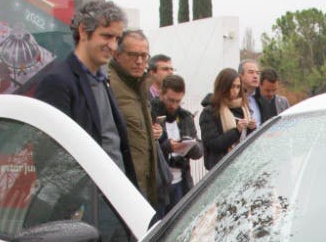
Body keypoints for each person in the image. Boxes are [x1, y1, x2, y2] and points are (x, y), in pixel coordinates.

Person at [35, 0, 135, 183]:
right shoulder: (58, 82)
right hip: (87, 203)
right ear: (83, 31)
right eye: (106, 36)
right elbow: (49, 157)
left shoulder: (103, 81)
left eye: (117, 39)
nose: (113, 46)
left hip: (115, 198)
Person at [109, 29, 168, 212]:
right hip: (122, 195)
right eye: (133, 55)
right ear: (117, 55)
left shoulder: (140, 86)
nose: (139, 61)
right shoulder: (109, 86)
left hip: (145, 192)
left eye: (144, 56)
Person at [151, 74, 203, 206]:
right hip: (159, 183)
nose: (174, 105)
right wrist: (169, 146)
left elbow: (199, 151)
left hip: (182, 182)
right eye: (171, 100)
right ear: (161, 94)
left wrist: (189, 145)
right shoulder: (151, 113)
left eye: (178, 101)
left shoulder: (185, 117)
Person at [199, 68, 256, 170]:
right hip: (221, 169)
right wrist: (236, 131)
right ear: (223, 87)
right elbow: (213, 144)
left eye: (238, 87)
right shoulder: (210, 112)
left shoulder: (244, 109)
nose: (235, 91)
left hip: (244, 166)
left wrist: (252, 128)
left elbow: (249, 143)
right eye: (232, 87)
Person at [239, 60, 264, 128]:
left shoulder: (263, 100)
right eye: (251, 72)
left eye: (257, 73)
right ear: (241, 76)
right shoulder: (234, 100)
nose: (255, 76)